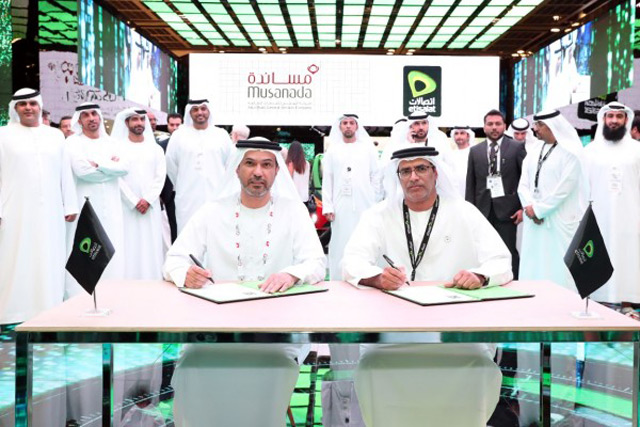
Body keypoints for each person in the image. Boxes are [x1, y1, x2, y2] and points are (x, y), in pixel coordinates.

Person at [342, 145, 512, 427]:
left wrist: (479, 275)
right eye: (405, 171)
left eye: (421, 168)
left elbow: (501, 260)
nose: (413, 177)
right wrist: (377, 277)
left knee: (477, 365)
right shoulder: (378, 215)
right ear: (398, 177)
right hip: (394, 328)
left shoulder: (463, 212)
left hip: (455, 327)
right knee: (373, 365)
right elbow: (351, 260)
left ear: (435, 173)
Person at [163, 137, 325, 427]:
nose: (258, 172)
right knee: (192, 364)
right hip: (216, 327)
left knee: (274, 368)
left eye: (266, 165)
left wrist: (290, 274)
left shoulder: (293, 211)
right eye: (250, 163)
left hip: (276, 330)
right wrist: (185, 272)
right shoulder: (213, 210)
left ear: (277, 171)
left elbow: (316, 263)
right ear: (237, 169)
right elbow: (174, 258)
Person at [0, 88, 78, 325]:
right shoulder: (3, 135)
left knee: (49, 255)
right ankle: (12, 311)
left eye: (32, 103)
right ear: (15, 108)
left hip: (51, 209)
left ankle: (49, 308)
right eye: (22, 104)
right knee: (15, 256)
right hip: (14, 209)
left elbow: (65, 173)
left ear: (40, 107)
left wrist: (70, 205)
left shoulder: (55, 136)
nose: (28, 108)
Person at [518, 110, 585, 289]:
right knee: (534, 263)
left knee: (558, 268)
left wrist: (539, 210)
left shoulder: (571, 152)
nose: (535, 129)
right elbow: (522, 185)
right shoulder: (534, 150)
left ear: (552, 126)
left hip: (558, 220)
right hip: (533, 220)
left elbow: (564, 189)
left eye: (539, 125)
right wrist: (529, 208)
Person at [65, 102, 128, 294]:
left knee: (112, 245)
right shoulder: (73, 142)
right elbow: (83, 171)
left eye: (94, 113)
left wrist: (98, 164)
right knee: (87, 248)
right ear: (79, 120)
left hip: (112, 206)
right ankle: (79, 295)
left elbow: (124, 168)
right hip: (86, 205)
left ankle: (112, 292)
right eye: (86, 115)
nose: (91, 118)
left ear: (100, 116)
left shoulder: (113, 143)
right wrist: (110, 166)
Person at [583, 102, 640, 304]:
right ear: (603, 119)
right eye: (610, 116)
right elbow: (583, 188)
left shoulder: (637, 150)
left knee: (628, 258)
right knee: (600, 256)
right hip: (599, 218)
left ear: (626, 120)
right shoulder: (590, 151)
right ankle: (599, 301)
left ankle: (628, 302)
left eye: (619, 116)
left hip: (630, 217)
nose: (614, 121)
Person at [466, 109, 526, 278]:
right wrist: (468, 210)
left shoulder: (516, 147)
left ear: (504, 126)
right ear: (484, 127)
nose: (494, 127)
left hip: (508, 211)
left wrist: (522, 207)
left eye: (498, 124)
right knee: (482, 251)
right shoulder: (475, 151)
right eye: (490, 124)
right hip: (482, 211)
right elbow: (471, 183)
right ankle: (485, 280)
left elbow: (525, 180)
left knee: (508, 250)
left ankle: (513, 282)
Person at [322, 113, 381, 280]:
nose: (348, 126)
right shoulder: (333, 150)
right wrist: (328, 206)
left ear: (357, 126)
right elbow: (328, 178)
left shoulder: (367, 148)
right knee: (341, 239)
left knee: (365, 238)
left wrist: (374, 199)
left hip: (365, 203)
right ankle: (339, 278)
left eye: (351, 123)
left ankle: (366, 277)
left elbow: (376, 175)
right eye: (345, 123)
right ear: (340, 127)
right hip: (340, 203)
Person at [112, 108, 166, 280]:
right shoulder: (117, 148)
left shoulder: (155, 149)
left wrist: (148, 200)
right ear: (126, 123)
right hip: (127, 207)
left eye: (142, 119)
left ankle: (152, 280)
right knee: (129, 243)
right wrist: (134, 201)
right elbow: (116, 178)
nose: (139, 123)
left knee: (151, 243)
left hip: (150, 206)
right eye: (134, 119)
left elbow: (160, 176)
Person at [165, 98, 233, 232]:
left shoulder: (221, 135)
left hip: (216, 196)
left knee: (215, 233)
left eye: (203, 108)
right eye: (195, 109)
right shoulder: (179, 135)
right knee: (187, 233)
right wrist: (183, 183)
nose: (200, 112)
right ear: (189, 113)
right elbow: (171, 164)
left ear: (209, 111)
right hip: (187, 198)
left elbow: (230, 165)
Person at [449, 125, 474, 197]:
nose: (459, 136)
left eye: (462, 133)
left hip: (471, 194)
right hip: (455, 194)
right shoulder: (450, 154)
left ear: (468, 136)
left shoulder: (474, 152)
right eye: (456, 134)